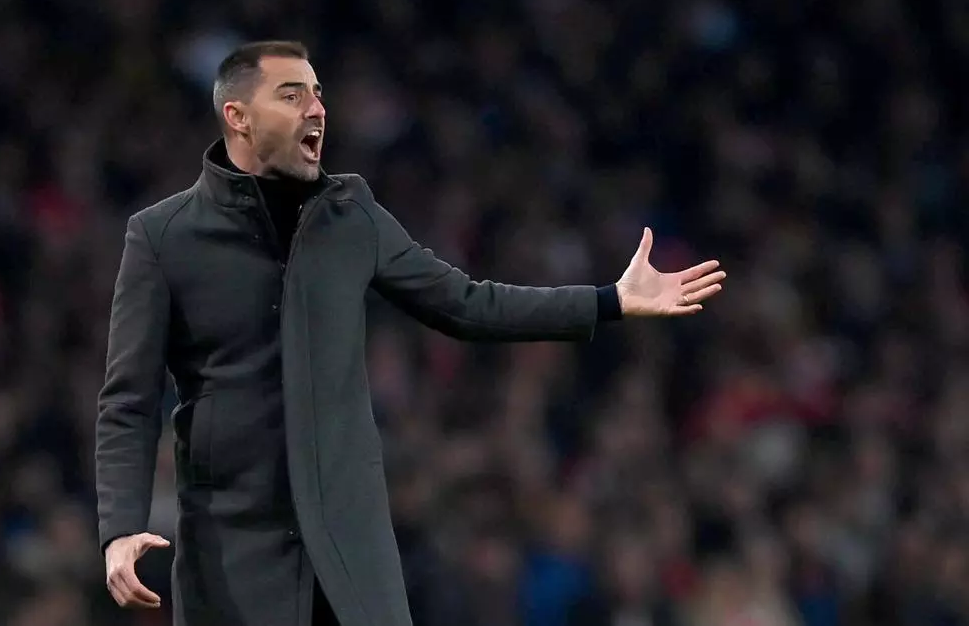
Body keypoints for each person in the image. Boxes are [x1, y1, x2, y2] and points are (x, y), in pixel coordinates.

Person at [94, 40, 725, 626]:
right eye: (292, 95)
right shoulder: (162, 236)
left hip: (349, 547)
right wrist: (120, 527)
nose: (316, 109)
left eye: (318, 94)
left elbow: (467, 304)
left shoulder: (351, 216)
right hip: (232, 550)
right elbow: (129, 400)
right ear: (237, 116)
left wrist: (608, 301)